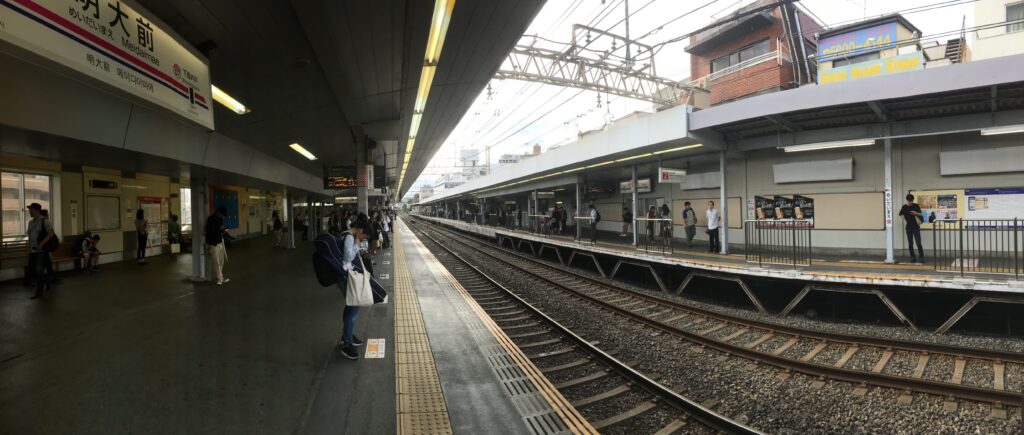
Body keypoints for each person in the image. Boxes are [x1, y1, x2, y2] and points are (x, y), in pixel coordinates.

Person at [337, 220, 371, 359]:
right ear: (360, 230)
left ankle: (347, 336)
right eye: (364, 236)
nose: (362, 239)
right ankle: (347, 344)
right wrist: (357, 245)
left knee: (350, 306)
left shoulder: (346, 234)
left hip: (345, 275)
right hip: (346, 276)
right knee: (354, 306)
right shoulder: (350, 237)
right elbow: (348, 257)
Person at [26, 203, 55, 299]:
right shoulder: (30, 222)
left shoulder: (44, 221)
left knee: (38, 271)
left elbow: (51, 233)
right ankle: (47, 280)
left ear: (37, 210)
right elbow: (30, 235)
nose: (30, 212)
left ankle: (39, 292)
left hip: (41, 251)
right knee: (33, 271)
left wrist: (41, 244)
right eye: (30, 210)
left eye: (31, 210)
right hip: (32, 251)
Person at [205, 207, 230, 285]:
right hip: (213, 243)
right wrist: (220, 229)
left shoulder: (220, 219)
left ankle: (220, 277)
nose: (223, 217)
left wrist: (223, 230)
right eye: (222, 215)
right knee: (216, 262)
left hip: (220, 242)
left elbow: (220, 229)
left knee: (221, 260)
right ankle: (220, 279)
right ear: (218, 212)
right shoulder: (210, 219)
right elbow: (210, 231)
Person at [899, 193, 925, 263]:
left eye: (911, 201)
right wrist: (905, 219)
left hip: (916, 227)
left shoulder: (916, 205)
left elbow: (920, 214)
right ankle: (912, 257)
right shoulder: (904, 207)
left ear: (913, 200)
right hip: (908, 228)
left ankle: (921, 257)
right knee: (910, 243)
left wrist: (916, 213)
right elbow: (900, 214)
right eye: (909, 201)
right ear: (907, 200)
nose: (910, 202)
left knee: (918, 242)